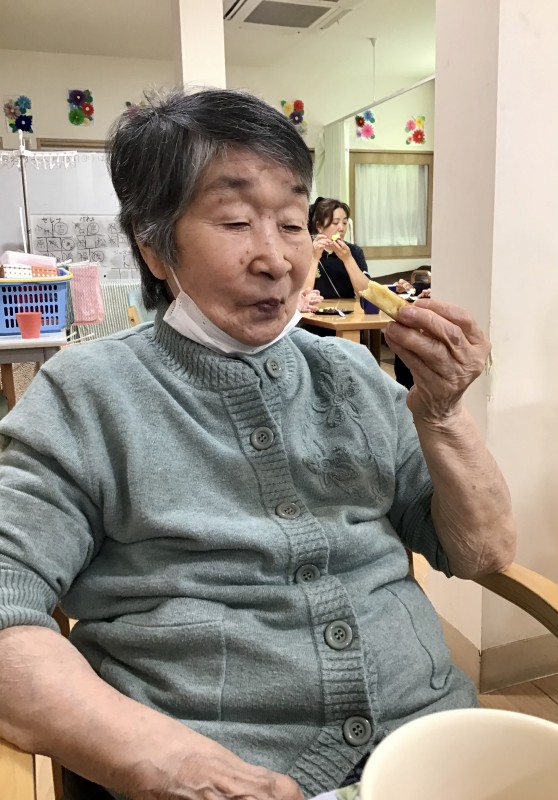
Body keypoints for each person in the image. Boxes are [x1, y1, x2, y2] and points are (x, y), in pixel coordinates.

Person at [0, 88, 516, 800]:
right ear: (154, 247)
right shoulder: (88, 393)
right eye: (236, 221)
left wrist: (444, 413)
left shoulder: (349, 373)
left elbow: (482, 552)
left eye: (293, 223)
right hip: (215, 771)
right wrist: (168, 761)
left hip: (430, 747)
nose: (276, 259)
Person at [305, 197, 370, 298]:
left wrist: (348, 259)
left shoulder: (354, 251)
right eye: (335, 223)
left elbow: (367, 294)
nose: (342, 228)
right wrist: (314, 259)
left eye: (344, 223)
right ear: (319, 226)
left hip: (348, 308)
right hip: (316, 307)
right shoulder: (307, 251)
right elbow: (302, 295)